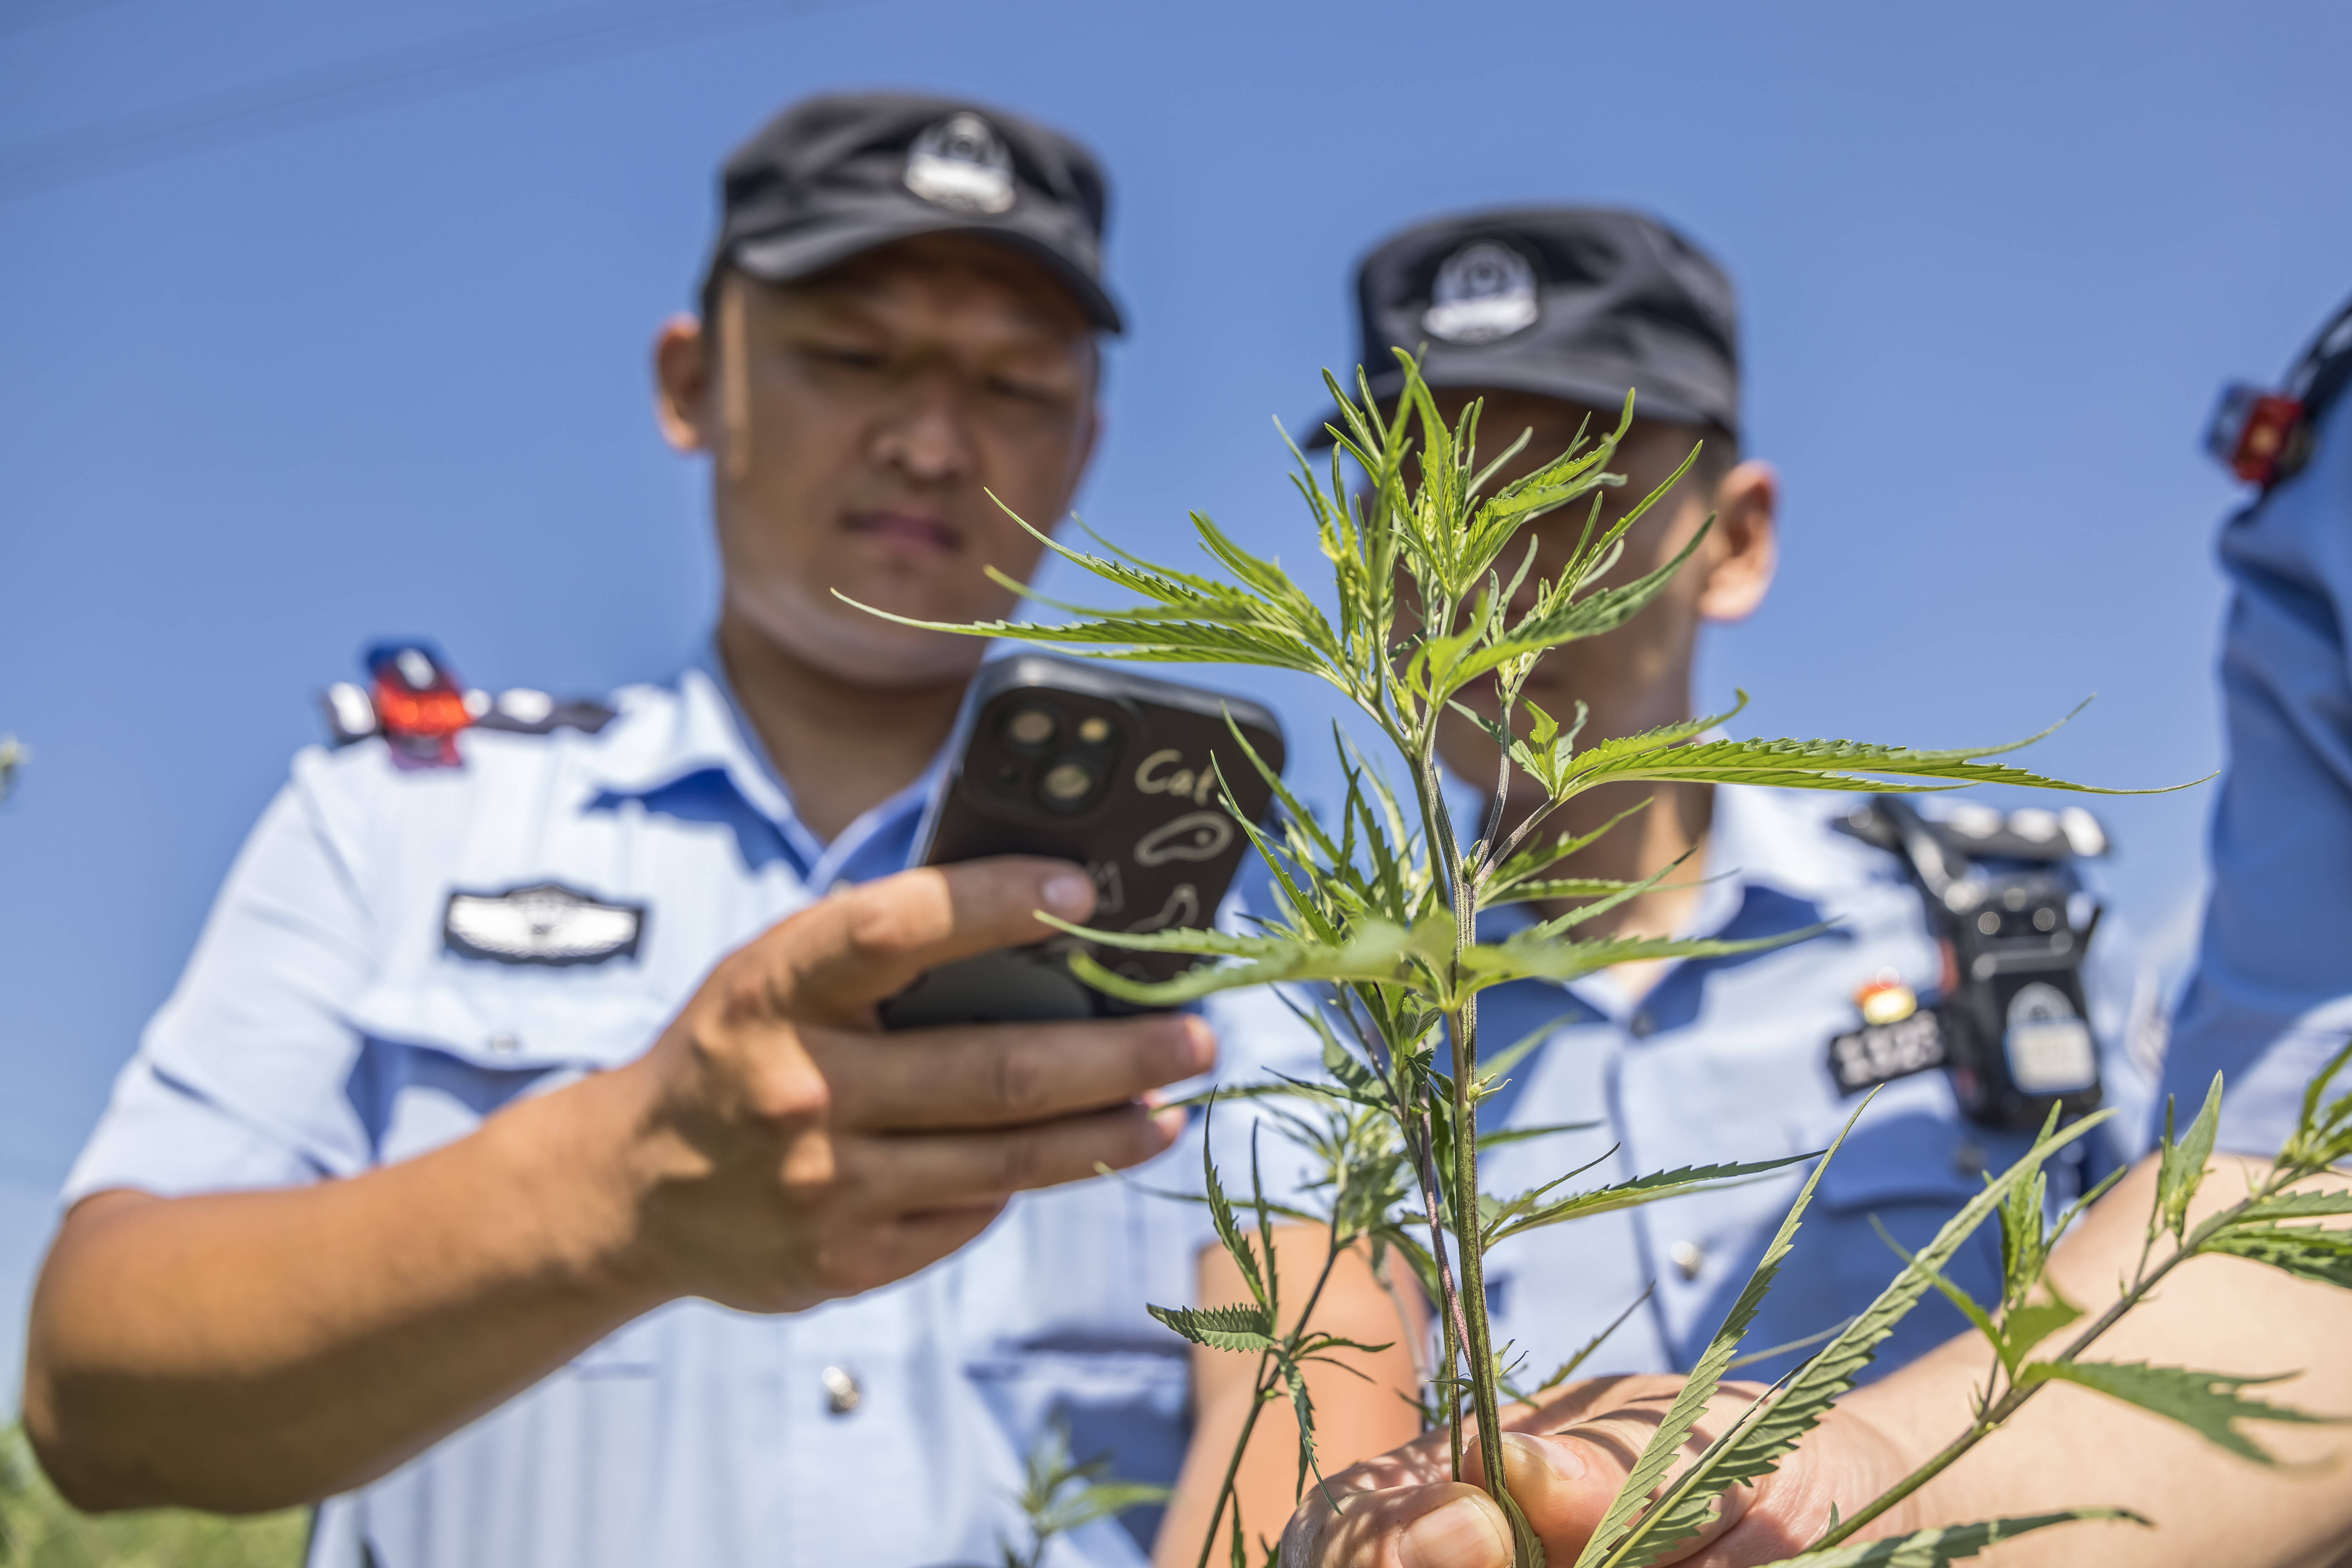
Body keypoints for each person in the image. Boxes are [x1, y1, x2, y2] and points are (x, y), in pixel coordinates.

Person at [21, 91, 1411, 1568]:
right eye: (851, 356)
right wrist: (618, 1189)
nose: (933, 443)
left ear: (1085, 442)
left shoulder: (1232, 908)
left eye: (1013, 385)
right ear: (693, 382)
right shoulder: (399, 817)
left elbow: (1326, 1366)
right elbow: (94, 1394)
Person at [1275, 294, 2352, 1568]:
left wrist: (1872, 1486)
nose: (1483, 583)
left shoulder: (1986, 921)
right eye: (1413, 515)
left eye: (1558, 495)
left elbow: (2258, 1264)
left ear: (1733, 539)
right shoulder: (1331, 1019)